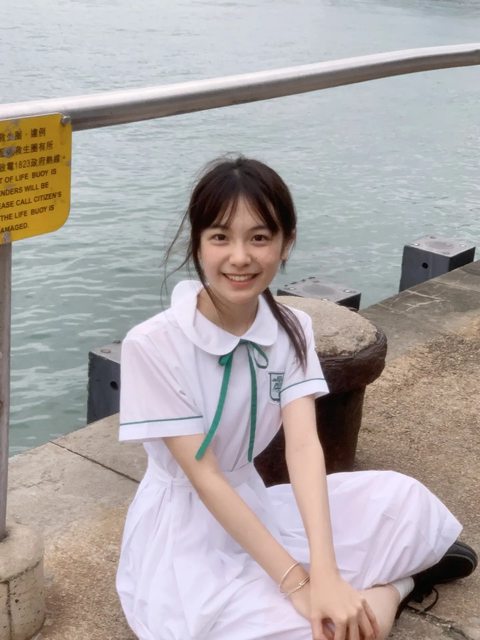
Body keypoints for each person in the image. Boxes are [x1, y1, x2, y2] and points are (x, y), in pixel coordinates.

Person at [116, 157, 476, 640]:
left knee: (404, 500)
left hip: (257, 504)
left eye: (259, 238)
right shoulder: (153, 345)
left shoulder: (291, 327)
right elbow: (206, 479)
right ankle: (397, 586)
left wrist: (323, 572)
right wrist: (299, 585)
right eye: (220, 237)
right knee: (312, 630)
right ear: (197, 243)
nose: (239, 257)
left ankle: (358, 588)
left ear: (286, 242)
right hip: (183, 534)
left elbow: (304, 448)